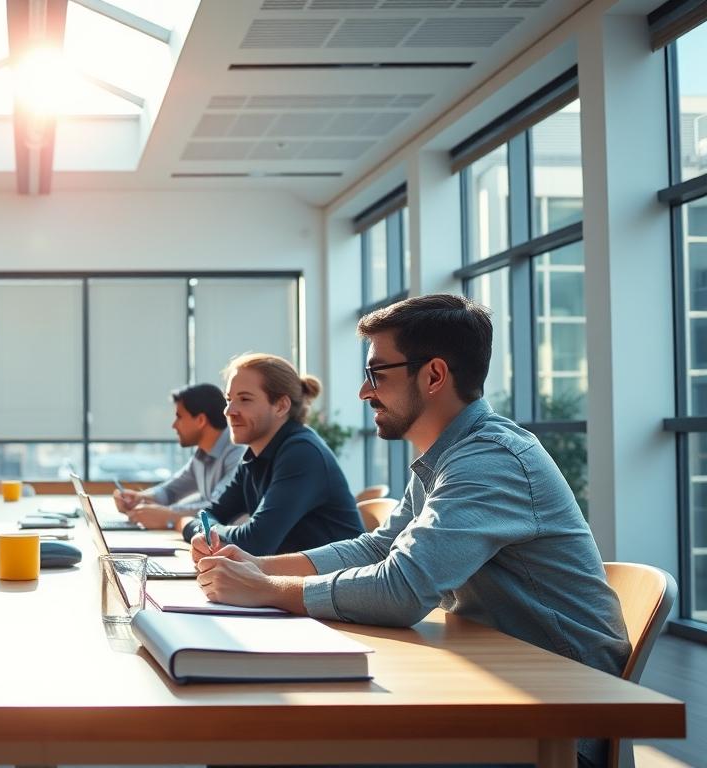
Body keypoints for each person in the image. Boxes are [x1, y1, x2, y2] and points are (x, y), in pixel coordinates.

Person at [193, 294, 629, 768]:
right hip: (495, 687)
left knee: (268, 738)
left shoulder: (490, 460)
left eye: (377, 374)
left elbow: (401, 588)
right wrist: (259, 566)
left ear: (434, 375)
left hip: (556, 724)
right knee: (264, 729)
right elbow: (379, 547)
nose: (364, 391)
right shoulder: (448, 456)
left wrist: (267, 589)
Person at [180, 353, 363, 556]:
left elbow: (254, 542)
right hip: (290, 582)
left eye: (244, 399)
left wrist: (205, 531)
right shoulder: (254, 456)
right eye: (229, 399)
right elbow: (208, 514)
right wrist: (200, 529)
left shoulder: (302, 453)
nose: (228, 410)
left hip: (333, 585)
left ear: (281, 406)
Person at [113, 383, 244, 530]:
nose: (174, 425)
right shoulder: (202, 453)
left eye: (179, 417)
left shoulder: (238, 453)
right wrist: (140, 499)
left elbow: (220, 508)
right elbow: (172, 490)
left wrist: (169, 516)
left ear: (201, 420)